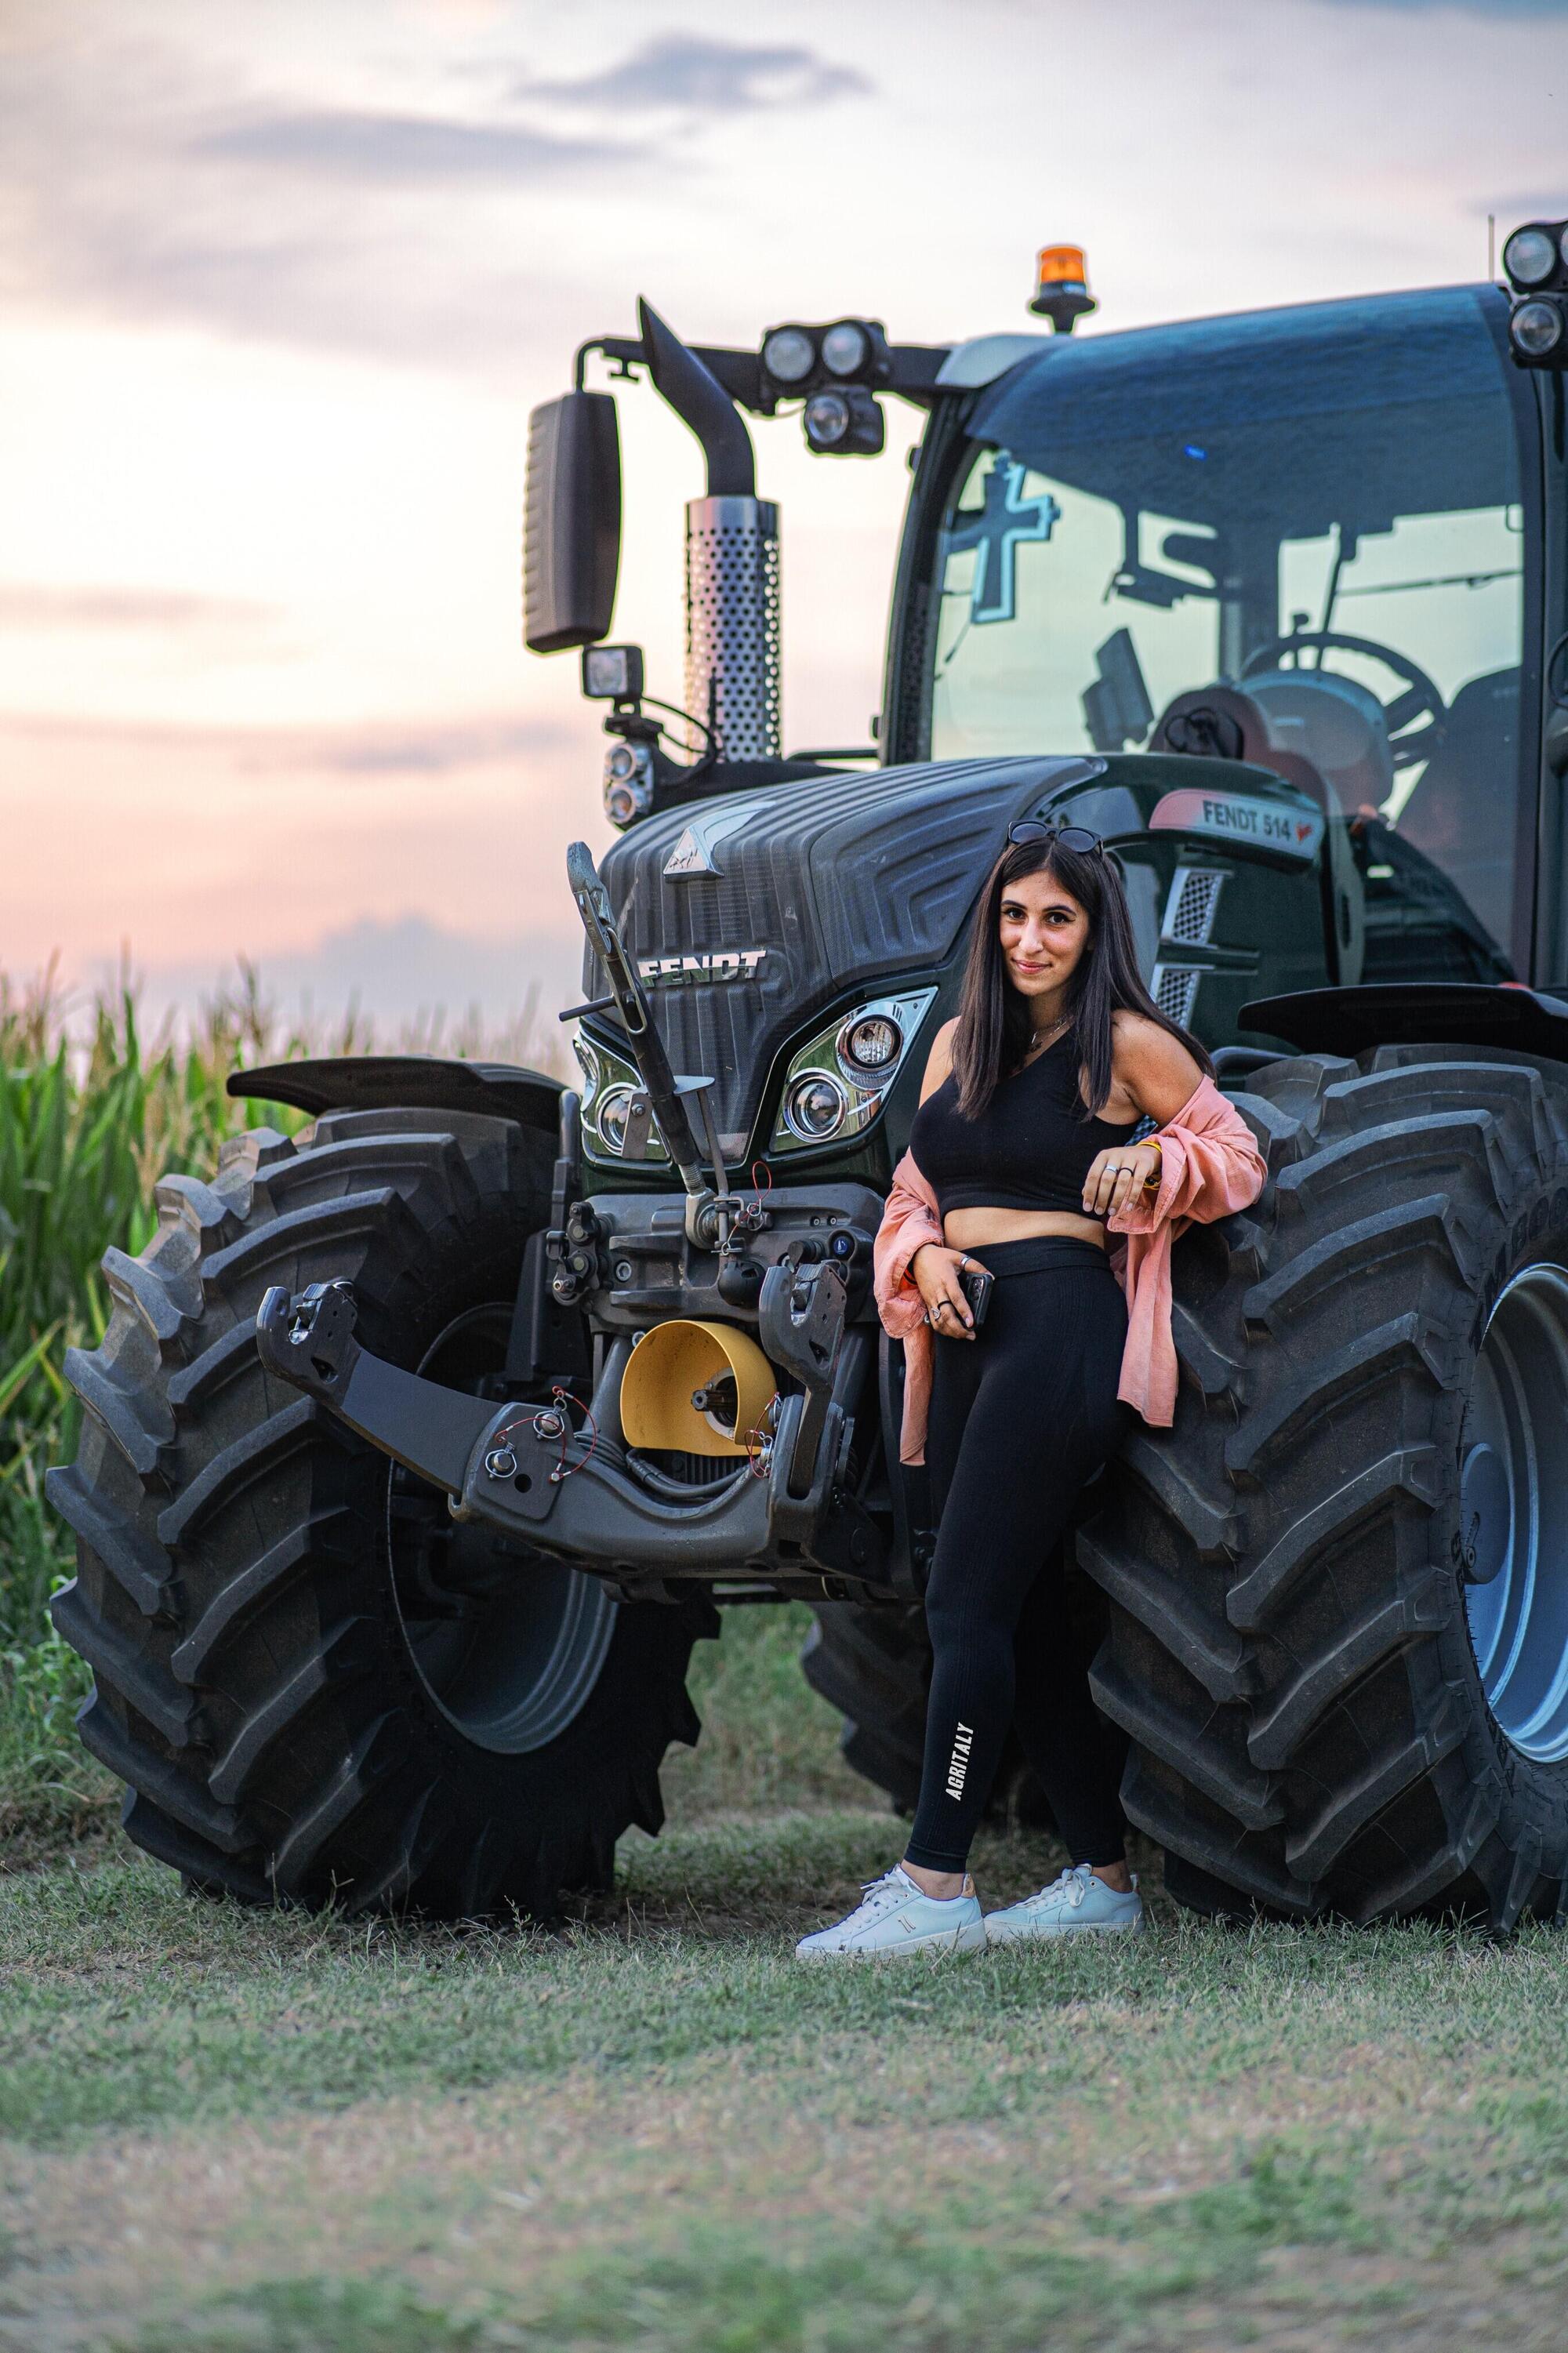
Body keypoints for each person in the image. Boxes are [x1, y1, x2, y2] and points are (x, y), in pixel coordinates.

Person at [796, 819, 1265, 1961]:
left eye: (1056, 916)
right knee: (1026, 1613)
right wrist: (919, 1256)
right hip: (962, 1332)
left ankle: (937, 1882)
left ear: (1093, 929)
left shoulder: (1128, 1045)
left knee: (962, 1602)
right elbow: (911, 1193)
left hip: (1059, 1325)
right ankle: (1102, 1877)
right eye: (1013, 914)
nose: (1030, 936)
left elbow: (1239, 1155)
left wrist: (1158, 1158)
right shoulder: (958, 1045)